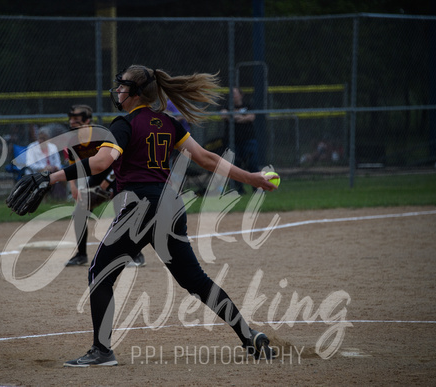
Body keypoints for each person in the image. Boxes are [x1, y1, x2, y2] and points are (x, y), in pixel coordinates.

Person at [46, 65, 278, 367]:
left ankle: (102, 351)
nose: (118, 90)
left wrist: (51, 178)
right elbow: (207, 158)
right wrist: (252, 177)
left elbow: (103, 162)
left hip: (140, 207)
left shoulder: (124, 124)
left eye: (123, 86)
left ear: (136, 93)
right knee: (196, 280)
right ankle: (248, 334)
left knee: (99, 274)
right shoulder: (169, 122)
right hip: (170, 203)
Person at [63, 104, 145, 267]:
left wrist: (107, 182)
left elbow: (119, 159)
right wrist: (73, 186)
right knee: (79, 213)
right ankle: (81, 255)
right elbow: (73, 165)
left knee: (122, 212)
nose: (72, 121)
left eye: (76, 119)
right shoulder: (72, 140)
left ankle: (137, 254)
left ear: (87, 121)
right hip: (96, 177)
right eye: (71, 118)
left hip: (117, 174)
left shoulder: (102, 135)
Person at [221, 87, 258, 194]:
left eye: (235, 94)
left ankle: (257, 188)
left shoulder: (248, 106)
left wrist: (234, 117)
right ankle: (239, 190)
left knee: (252, 164)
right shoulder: (227, 106)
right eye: (231, 94)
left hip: (248, 139)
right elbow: (224, 115)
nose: (233, 96)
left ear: (241, 95)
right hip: (232, 141)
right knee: (234, 165)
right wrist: (242, 117)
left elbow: (251, 117)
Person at [26, 125, 65, 200]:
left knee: (64, 173)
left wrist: (56, 167)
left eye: (44, 138)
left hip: (52, 171)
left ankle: (62, 197)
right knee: (44, 174)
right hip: (37, 172)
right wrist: (43, 168)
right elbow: (29, 164)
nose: (42, 141)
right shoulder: (31, 147)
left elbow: (58, 162)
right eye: (40, 138)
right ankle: (43, 198)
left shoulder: (53, 147)